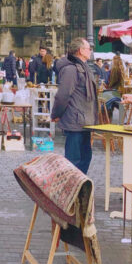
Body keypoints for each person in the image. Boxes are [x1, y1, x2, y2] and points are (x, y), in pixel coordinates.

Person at [51, 37, 98, 174]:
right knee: (74, 160)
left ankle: (80, 189)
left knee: (85, 157)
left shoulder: (84, 67)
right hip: (75, 120)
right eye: (89, 48)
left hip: (84, 121)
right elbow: (62, 95)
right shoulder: (71, 69)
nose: (90, 51)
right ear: (80, 51)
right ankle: (71, 191)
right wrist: (56, 114)